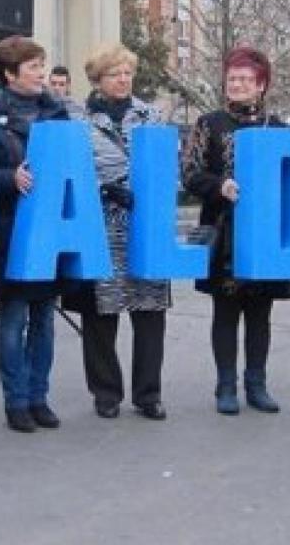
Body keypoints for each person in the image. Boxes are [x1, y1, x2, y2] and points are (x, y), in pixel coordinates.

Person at [181, 46, 290, 415]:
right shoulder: (208, 124)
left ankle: (257, 384)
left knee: (261, 312)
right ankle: (225, 385)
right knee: (226, 311)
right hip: (224, 230)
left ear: (261, 85)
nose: (238, 85)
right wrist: (220, 186)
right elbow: (190, 174)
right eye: (232, 79)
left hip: (265, 235)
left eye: (246, 79)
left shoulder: (276, 127)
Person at [71, 43, 171, 421]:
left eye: (128, 73)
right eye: (115, 74)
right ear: (98, 80)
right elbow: (74, 172)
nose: (123, 80)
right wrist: (103, 189)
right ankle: (106, 392)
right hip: (100, 225)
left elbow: (167, 165)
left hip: (145, 225)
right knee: (101, 312)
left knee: (150, 310)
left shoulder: (151, 116)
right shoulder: (79, 121)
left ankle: (149, 394)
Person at [0, 36, 70, 432]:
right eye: (34, 67)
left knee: (44, 320)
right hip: (9, 230)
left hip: (49, 230)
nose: (42, 74)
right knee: (13, 318)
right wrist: (8, 178)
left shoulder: (57, 113)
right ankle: (15, 400)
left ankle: (39, 397)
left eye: (42, 65)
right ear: (9, 73)